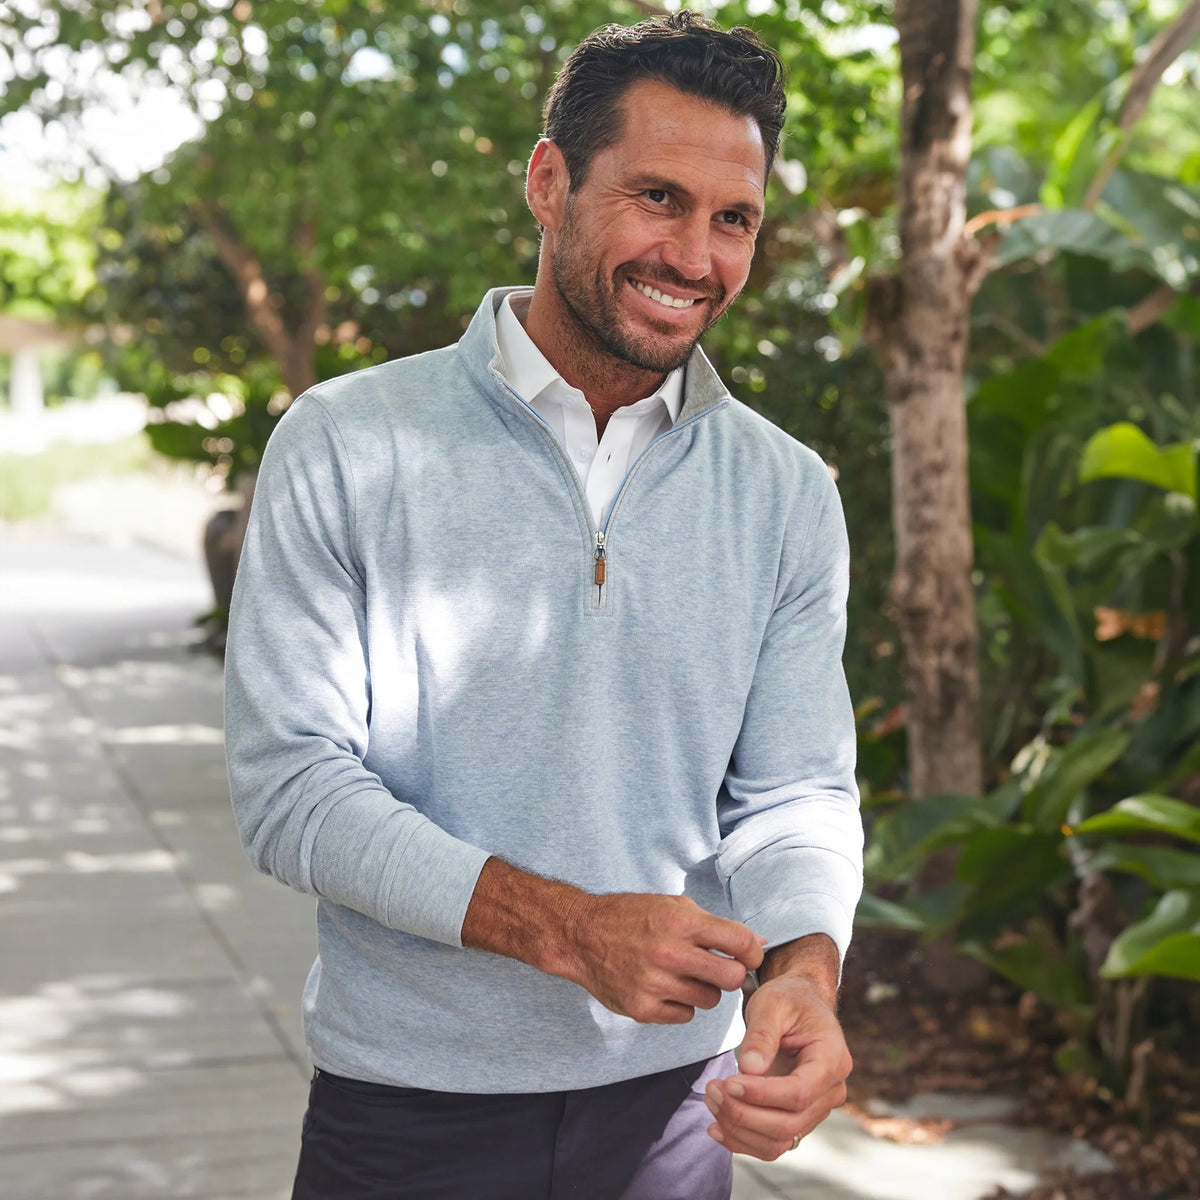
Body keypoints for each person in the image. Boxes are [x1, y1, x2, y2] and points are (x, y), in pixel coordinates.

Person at [225, 11, 863, 1199]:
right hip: (407, 1111)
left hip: (678, 1117)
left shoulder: (782, 491)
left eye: (735, 220)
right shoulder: (347, 442)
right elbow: (291, 790)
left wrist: (806, 971)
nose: (696, 256)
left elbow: (795, 791)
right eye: (658, 197)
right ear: (549, 182)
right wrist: (566, 930)